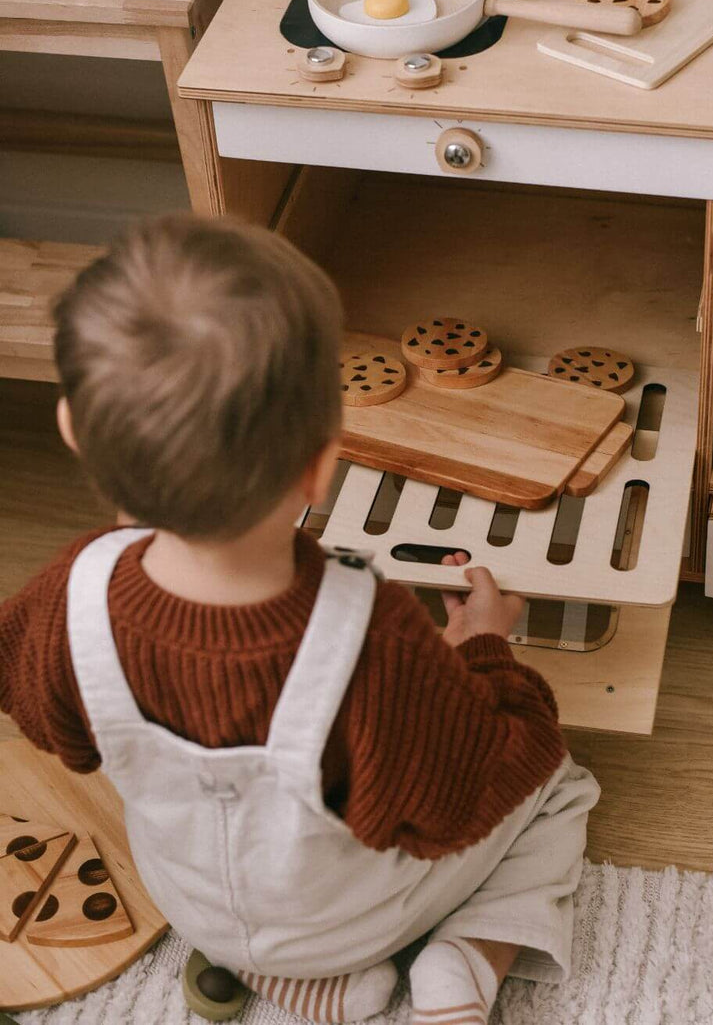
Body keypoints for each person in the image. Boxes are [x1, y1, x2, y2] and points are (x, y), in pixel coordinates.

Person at [0, 214, 599, 1024]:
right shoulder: (370, 631)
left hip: (193, 901)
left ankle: (311, 986)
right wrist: (484, 654)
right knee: (560, 783)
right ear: (323, 465)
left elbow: (53, 726)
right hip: (348, 914)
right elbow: (462, 796)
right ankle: (471, 957)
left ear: (72, 429)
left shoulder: (70, 590)